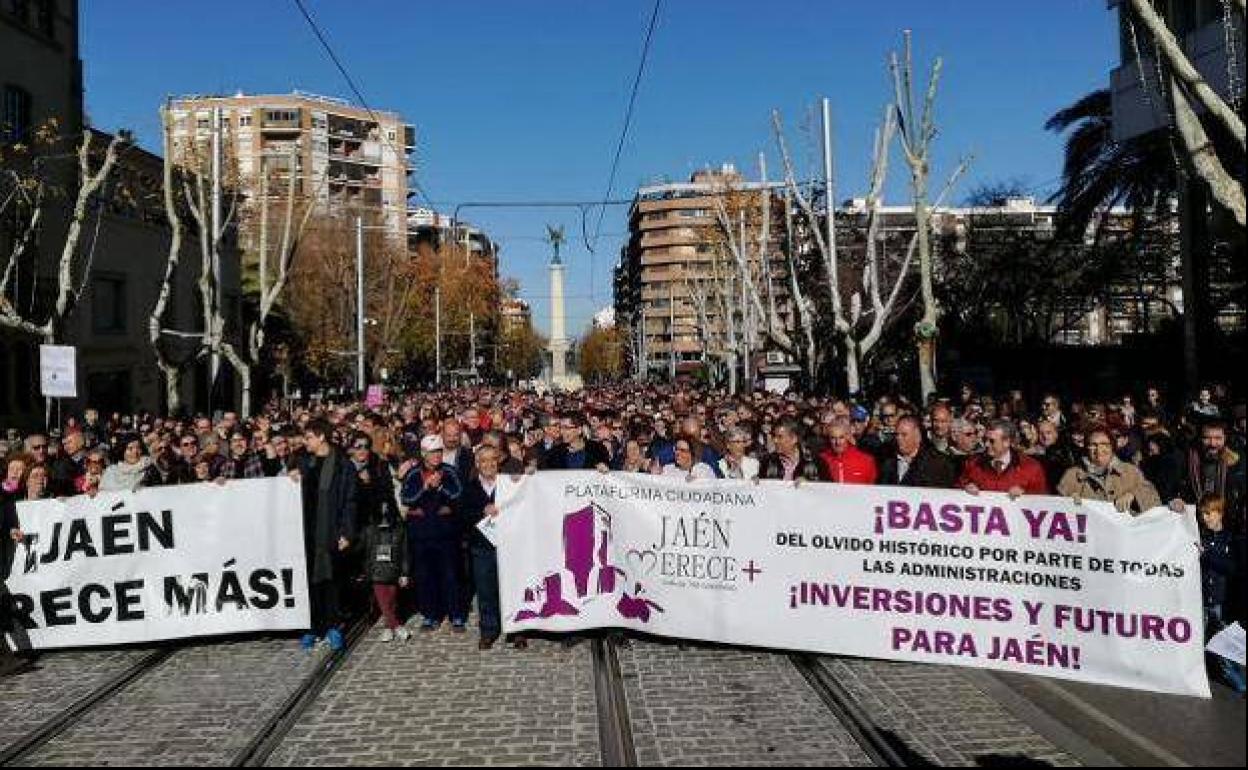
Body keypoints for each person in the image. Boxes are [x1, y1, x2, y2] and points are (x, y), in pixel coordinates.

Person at [293, 418, 358, 652]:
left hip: (331, 531)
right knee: (310, 581)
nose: (305, 441)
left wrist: (346, 532)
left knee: (331, 581)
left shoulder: (342, 465)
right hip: (308, 532)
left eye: (309, 437)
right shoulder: (304, 463)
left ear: (321, 437)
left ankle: (333, 625)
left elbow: (350, 500)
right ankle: (312, 626)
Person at [460, 445, 523, 649]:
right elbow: (462, 516)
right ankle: (489, 630)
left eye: (492, 460)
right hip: (482, 547)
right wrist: (482, 510)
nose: (488, 464)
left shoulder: (509, 484)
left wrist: (529, 474)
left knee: (512, 588)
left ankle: (516, 630)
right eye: (484, 460)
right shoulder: (469, 488)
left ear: (498, 462)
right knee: (486, 590)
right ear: (477, 464)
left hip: (509, 546)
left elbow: (524, 502)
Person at [400, 434, 465, 633]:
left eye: (438, 451)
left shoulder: (450, 471)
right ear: (423, 454)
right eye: (432, 452)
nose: (436, 456)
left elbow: (458, 495)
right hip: (421, 535)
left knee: (450, 575)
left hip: (445, 534)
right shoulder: (413, 474)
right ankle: (430, 614)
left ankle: (455, 614)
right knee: (425, 576)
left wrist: (441, 487)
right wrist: (425, 487)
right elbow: (406, 498)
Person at [1196, 494, 1245, 693]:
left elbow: (1232, 568)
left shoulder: (1231, 540)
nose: (1205, 518)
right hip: (1201, 599)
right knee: (1199, 640)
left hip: (1220, 601)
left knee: (1224, 644)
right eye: (1202, 514)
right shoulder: (1200, 537)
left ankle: (1237, 679)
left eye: (1209, 513)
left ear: (1220, 513)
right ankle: (1199, 674)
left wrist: (1207, 556)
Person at [1057, 428, 1161, 514]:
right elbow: (1056, 509)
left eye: (1104, 444)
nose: (1099, 449)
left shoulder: (1131, 471)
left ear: (1112, 447)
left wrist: (1133, 495)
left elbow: (1153, 500)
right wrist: (1067, 501)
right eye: (1093, 445)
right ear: (1086, 448)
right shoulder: (1071, 475)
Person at [359, 505, 410, 643]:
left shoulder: (399, 529)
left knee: (391, 601)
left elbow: (405, 553)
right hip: (376, 571)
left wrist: (404, 573)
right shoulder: (369, 529)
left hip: (393, 570)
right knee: (383, 601)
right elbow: (363, 552)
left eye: (387, 509)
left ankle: (388, 627)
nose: (384, 512)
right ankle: (397, 626)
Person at [960, 419, 1049, 498]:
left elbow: (1042, 501)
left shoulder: (1031, 468)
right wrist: (966, 488)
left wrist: (1025, 495)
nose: (986, 444)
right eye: (985, 440)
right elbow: (956, 490)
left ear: (1007, 442)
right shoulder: (973, 463)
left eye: (991, 441)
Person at [878, 416, 958, 488]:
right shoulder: (888, 462)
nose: (898, 438)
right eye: (897, 434)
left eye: (904, 435)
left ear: (917, 437)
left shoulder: (937, 463)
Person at [817, 417, 877, 485]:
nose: (837, 442)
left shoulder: (866, 461)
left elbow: (872, 487)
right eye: (833, 438)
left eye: (841, 437)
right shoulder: (822, 460)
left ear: (848, 437)